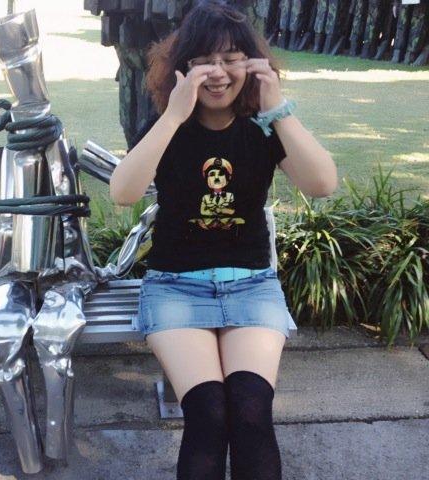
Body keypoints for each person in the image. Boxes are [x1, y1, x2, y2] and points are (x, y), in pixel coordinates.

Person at [109, 2, 337, 479]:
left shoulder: (264, 128)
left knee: (251, 412)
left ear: (251, 64)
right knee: (209, 413)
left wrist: (277, 108)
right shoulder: (169, 126)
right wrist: (172, 116)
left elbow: (322, 184)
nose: (217, 72)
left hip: (251, 286)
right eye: (203, 61)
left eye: (231, 58)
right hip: (176, 287)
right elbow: (123, 192)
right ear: (183, 69)